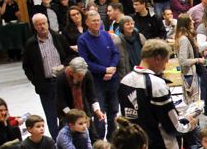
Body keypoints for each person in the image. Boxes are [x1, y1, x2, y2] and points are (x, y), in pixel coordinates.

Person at [24, 13, 71, 137]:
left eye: (44, 23)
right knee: (51, 116)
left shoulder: (58, 37)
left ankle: (66, 139)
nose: (42, 26)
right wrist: (35, 81)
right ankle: (56, 142)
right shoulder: (31, 44)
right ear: (34, 27)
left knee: (66, 111)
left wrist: (64, 66)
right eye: (39, 24)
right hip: (45, 85)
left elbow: (69, 55)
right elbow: (26, 66)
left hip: (62, 81)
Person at [78, 11, 121, 139]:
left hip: (112, 79)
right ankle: (98, 142)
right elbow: (85, 62)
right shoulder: (83, 40)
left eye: (98, 20)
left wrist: (112, 68)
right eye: (93, 21)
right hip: (96, 81)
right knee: (99, 113)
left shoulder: (106, 35)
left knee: (113, 110)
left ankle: (112, 138)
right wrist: (104, 70)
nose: (97, 23)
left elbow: (115, 53)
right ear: (87, 23)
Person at [175, 14, 204, 107]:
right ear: (186, 23)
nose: (193, 22)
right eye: (191, 20)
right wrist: (197, 60)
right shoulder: (183, 39)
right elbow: (183, 61)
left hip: (190, 74)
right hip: (189, 75)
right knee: (193, 105)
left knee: (194, 103)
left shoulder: (185, 37)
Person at [115, 16, 147, 83]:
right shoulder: (117, 41)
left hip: (142, 69)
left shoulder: (140, 37)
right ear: (122, 27)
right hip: (128, 72)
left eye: (132, 24)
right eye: (127, 24)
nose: (130, 26)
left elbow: (147, 52)